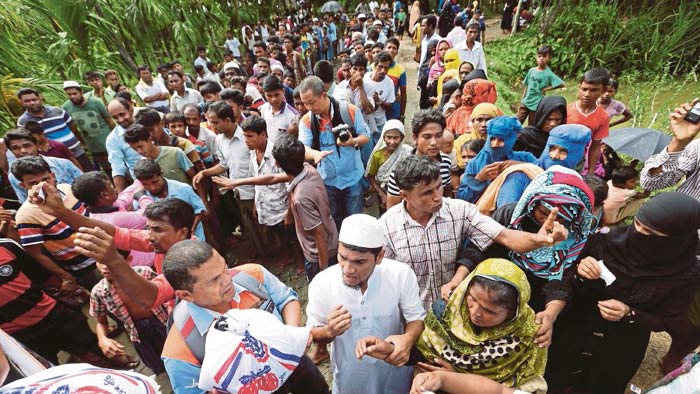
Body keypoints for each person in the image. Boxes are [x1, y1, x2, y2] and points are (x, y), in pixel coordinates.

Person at [545, 192, 700, 393]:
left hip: (623, 343)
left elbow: (667, 320)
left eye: (651, 233)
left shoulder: (687, 270)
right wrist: (580, 270)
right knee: (554, 378)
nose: (639, 233)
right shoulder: (607, 240)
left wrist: (630, 313)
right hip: (577, 327)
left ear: (677, 238)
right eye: (637, 224)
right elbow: (563, 278)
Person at [379, 155, 569, 309]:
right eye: (427, 193)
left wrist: (538, 239)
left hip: (453, 309)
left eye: (438, 187)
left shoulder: (460, 211)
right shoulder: (386, 228)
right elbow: (383, 283)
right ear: (404, 195)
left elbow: (505, 236)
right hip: (408, 315)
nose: (438, 197)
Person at [307, 214, 426, 394]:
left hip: (395, 372)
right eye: (342, 257)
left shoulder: (400, 275)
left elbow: (416, 319)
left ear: (379, 256)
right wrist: (329, 331)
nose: (348, 269)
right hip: (351, 376)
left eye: (359, 262)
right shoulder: (322, 283)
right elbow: (312, 333)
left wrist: (407, 340)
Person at [413, 259, 548, 393]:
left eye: (489, 311)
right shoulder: (445, 314)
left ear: (512, 313)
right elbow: (421, 356)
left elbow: (527, 387)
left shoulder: (529, 336)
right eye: (472, 298)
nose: (476, 312)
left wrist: (454, 379)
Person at [0, 238, 128, 369]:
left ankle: (123, 369)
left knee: (90, 345)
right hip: (21, 336)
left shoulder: (6, 246)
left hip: (51, 313)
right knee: (49, 370)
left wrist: (65, 290)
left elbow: (41, 275)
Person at [12, 156, 99, 290]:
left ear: (53, 176)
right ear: (23, 186)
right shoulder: (26, 215)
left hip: (107, 250)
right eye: (33, 183)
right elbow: (36, 253)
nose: (43, 186)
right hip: (85, 269)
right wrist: (65, 276)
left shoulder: (69, 189)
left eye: (46, 179)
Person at [298, 76, 370, 231]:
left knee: (354, 220)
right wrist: (314, 154)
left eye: (312, 102)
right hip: (327, 181)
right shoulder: (306, 121)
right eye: (305, 103)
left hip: (352, 178)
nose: (308, 107)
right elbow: (303, 148)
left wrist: (352, 142)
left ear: (323, 94)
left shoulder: (349, 111)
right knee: (333, 218)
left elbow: (366, 137)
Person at [90, 262, 167, 373]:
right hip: (140, 335)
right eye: (100, 261)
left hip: (165, 323)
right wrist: (102, 339)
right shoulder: (99, 292)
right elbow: (101, 322)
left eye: (107, 259)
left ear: (123, 258)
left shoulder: (144, 273)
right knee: (160, 365)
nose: (105, 265)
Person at [458, 116, 537, 203]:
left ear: (512, 140)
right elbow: (462, 199)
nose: (495, 144)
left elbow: (543, 176)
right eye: (492, 139)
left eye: (501, 140)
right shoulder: (474, 164)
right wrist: (479, 180)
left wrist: (522, 166)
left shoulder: (526, 158)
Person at [385, 109, 454, 209]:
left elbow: (446, 195)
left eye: (438, 135)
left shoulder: (445, 162)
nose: (434, 142)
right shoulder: (400, 171)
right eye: (427, 137)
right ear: (415, 138)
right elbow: (392, 212)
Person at [16, 88, 92, 170]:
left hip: (76, 150)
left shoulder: (58, 111)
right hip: (55, 156)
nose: (32, 103)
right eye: (27, 101)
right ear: (21, 103)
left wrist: (80, 143)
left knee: (90, 173)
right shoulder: (23, 121)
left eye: (34, 99)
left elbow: (72, 127)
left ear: (40, 98)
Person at [132, 159, 206, 241]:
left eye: (155, 182)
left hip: (195, 240)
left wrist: (191, 229)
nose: (152, 187)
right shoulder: (140, 198)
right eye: (145, 184)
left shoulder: (183, 189)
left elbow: (200, 211)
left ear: (161, 173)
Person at [4, 130, 83, 204]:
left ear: (37, 145)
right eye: (15, 148)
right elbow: (26, 202)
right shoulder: (14, 177)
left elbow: (85, 185)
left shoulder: (63, 164)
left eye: (27, 146)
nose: (23, 151)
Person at [62, 80, 115, 173]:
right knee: (107, 169)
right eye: (69, 94)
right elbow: (73, 128)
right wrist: (82, 143)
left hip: (108, 141)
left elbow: (109, 120)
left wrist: (116, 136)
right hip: (92, 145)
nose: (72, 96)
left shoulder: (96, 103)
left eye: (75, 93)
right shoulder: (66, 107)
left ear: (81, 92)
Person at [567, 67, 610, 175]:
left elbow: (595, 147)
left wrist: (591, 173)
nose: (587, 94)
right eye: (584, 89)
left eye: (593, 90)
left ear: (603, 91)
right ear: (579, 87)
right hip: (555, 156)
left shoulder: (603, 117)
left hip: (578, 161)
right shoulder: (565, 109)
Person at [123, 124, 195, 185]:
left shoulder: (175, 153)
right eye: (134, 148)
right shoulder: (142, 166)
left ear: (149, 140)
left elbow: (194, 177)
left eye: (140, 146)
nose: (139, 151)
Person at [366, 120, 412, 211]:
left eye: (396, 138)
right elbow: (370, 176)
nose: (392, 142)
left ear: (402, 138)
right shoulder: (378, 155)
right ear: (383, 137)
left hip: (405, 193)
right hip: (384, 192)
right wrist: (382, 195)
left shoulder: (408, 152)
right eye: (389, 137)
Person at [517, 46, 565, 127]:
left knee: (532, 126)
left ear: (549, 58)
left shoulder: (548, 73)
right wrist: (522, 99)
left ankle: (529, 139)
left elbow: (561, 84)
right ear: (536, 57)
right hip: (526, 102)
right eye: (539, 56)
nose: (541, 58)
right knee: (516, 122)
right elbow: (526, 85)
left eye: (544, 56)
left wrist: (545, 89)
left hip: (537, 105)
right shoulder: (531, 71)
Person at [105, 97, 144, 192]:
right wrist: (121, 198)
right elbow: (118, 168)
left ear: (130, 109)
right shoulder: (113, 139)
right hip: (142, 181)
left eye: (122, 114)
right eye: (115, 117)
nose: (120, 120)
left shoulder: (146, 123)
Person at [452, 102, 501, 171]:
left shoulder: (500, 143)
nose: (484, 124)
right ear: (473, 122)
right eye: (479, 120)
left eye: (488, 120)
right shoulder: (461, 141)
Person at [259, 75, 299, 143]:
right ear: (264, 93)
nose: (273, 99)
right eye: (269, 96)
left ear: (283, 92)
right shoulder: (264, 108)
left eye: (276, 95)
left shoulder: (293, 116)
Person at [384, 37, 408, 120]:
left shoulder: (400, 70)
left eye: (394, 48)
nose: (391, 50)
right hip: (378, 110)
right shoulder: (373, 67)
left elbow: (404, 93)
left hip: (393, 111)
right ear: (384, 49)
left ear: (397, 52)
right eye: (389, 47)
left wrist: (402, 115)